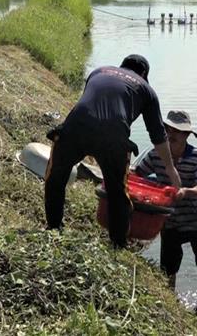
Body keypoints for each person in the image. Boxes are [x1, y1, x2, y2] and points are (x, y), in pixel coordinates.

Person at [44, 54, 181, 249]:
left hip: (75, 127)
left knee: (55, 177)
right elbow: (158, 136)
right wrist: (170, 168)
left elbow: (88, 103)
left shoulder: (98, 72)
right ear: (143, 74)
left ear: (122, 66)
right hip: (113, 139)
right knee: (118, 193)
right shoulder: (146, 89)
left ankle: (53, 229)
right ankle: (117, 244)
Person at [133, 110, 197, 300]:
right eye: (168, 130)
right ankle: (170, 298)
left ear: (186, 135)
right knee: (169, 265)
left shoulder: (196, 156)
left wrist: (186, 192)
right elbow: (137, 173)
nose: (171, 135)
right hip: (169, 220)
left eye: (177, 131)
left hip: (195, 217)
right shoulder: (156, 154)